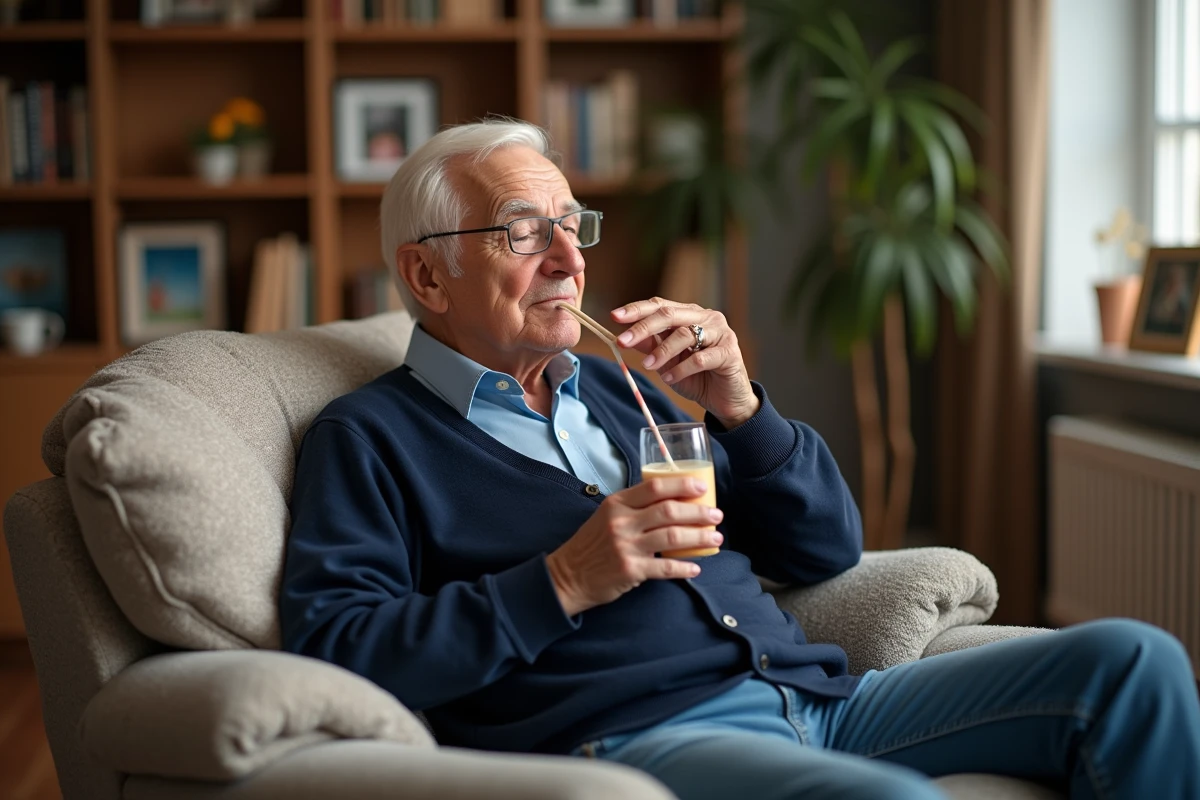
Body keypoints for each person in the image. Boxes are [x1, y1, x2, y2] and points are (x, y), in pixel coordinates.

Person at [279, 119, 1200, 800]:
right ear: (427, 275)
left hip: (813, 696)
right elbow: (336, 650)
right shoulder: (369, 440)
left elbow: (826, 550)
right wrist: (563, 579)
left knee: (1137, 664)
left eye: (574, 224)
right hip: (637, 737)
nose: (569, 257)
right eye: (524, 232)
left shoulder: (611, 390)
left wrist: (738, 405)